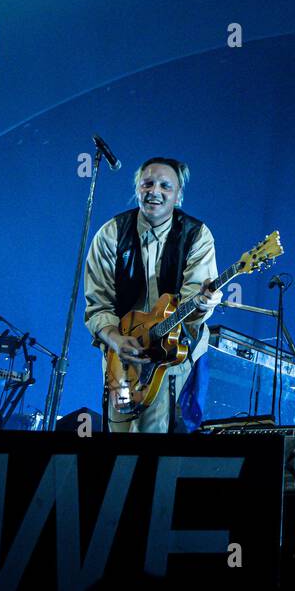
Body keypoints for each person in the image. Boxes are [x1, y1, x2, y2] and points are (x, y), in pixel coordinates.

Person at [84, 157, 221, 433]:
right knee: (120, 433)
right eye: (147, 183)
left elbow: (193, 307)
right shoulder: (111, 234)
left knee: (154, 438)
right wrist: (115, 339)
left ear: (178, 196)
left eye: (165, 186)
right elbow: (98, 306)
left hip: (173, 353)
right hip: (121, 353)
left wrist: (203, 303)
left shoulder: (196, 235)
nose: (154, 191)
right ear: (137, 188)